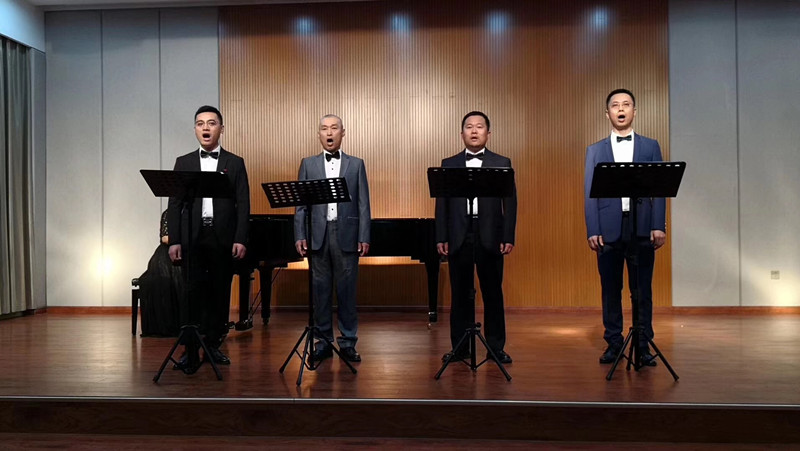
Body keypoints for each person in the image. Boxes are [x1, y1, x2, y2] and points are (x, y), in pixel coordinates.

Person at [584, 88, 666, 366]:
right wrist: (593, 229)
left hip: (641, 225)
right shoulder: (595, 150)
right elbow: (589, 193)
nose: (621, 109)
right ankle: (614, 343)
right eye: (615, 105)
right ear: (607, 113)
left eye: (626, 104)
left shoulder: (650, 146)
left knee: (642, 289)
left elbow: (659, 189)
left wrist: (658, 224)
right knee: (610, 289)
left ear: (635, 111)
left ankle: (643, 345)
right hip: (608, 228)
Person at [167, 105, 250, 374]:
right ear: (195, 129)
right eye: (200, 123)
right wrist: (175, 240)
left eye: (211, 123)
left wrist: (240, 238)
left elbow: (243, 203)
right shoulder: (183, 162)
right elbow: (174, 204)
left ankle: (213, 345)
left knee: (219, 292)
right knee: (191, 292)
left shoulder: (234, 162)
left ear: (221, 129)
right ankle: (189, 350)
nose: (206, 127)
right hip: (191, 236)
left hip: (222, 236)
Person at [435, 111, 517, 364]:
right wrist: (441, 236)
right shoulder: (449, 164)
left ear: (488, 133)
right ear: (461, 134)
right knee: (460, 293)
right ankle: (460, 348)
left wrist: (508, 236)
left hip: (491, 234)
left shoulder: (501, 162)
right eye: (469, 127)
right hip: (458, 235)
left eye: (479, 127)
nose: (474, 131)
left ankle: (495, 347)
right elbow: (442, 204)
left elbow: (510, 203)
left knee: (493, 292)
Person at [294, 114, 371, 364]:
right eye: (324, 129)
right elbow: (301, 206)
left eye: (334, 128)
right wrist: (300, 234)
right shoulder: (308, 164)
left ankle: (348, 343)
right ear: (319, 134)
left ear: (342, 133)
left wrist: (364, 235)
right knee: (320, 292)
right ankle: (323, 343)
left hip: (346, 233)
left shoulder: (356, 164)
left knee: (347, 292)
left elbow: (363, 204)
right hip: (317, 235)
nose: (329, 133)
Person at [137, 210, 181, 337]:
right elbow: (165, 238)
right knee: (166, 278)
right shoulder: (168, 213)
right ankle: (169, 323)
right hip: (167, 252)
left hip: (186, 251)